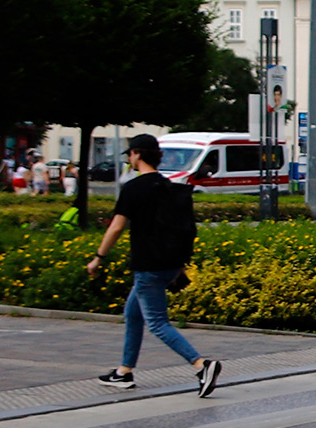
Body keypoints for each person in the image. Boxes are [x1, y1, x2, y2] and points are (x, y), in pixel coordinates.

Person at [85, 135, 221, 396]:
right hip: (169, 263)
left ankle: (202, 365)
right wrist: (179, 265)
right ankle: (124, 372)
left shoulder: (134, 188)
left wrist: (98, 258)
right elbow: (179, 229)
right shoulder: (167, 186)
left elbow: (116, 227)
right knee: (133, 314)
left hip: (148, 265)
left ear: (137, 154)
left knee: (158, 323)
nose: (128, 159)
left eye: (129, 154)